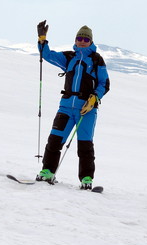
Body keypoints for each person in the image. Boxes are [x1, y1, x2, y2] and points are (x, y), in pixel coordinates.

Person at [35, 20, 110, 190]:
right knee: (54, 140)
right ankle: (47, 172)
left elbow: (104, 83)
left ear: (91, 41)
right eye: (79, 38)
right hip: (66, 107)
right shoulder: (69, 57)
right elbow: (46, 55)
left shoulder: (97, 60)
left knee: (85, 145)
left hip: (87, 110)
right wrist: (42, 39)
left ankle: (86, 179)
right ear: (75, 40)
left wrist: (94, 99)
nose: (82, 41)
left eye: (85, 39)